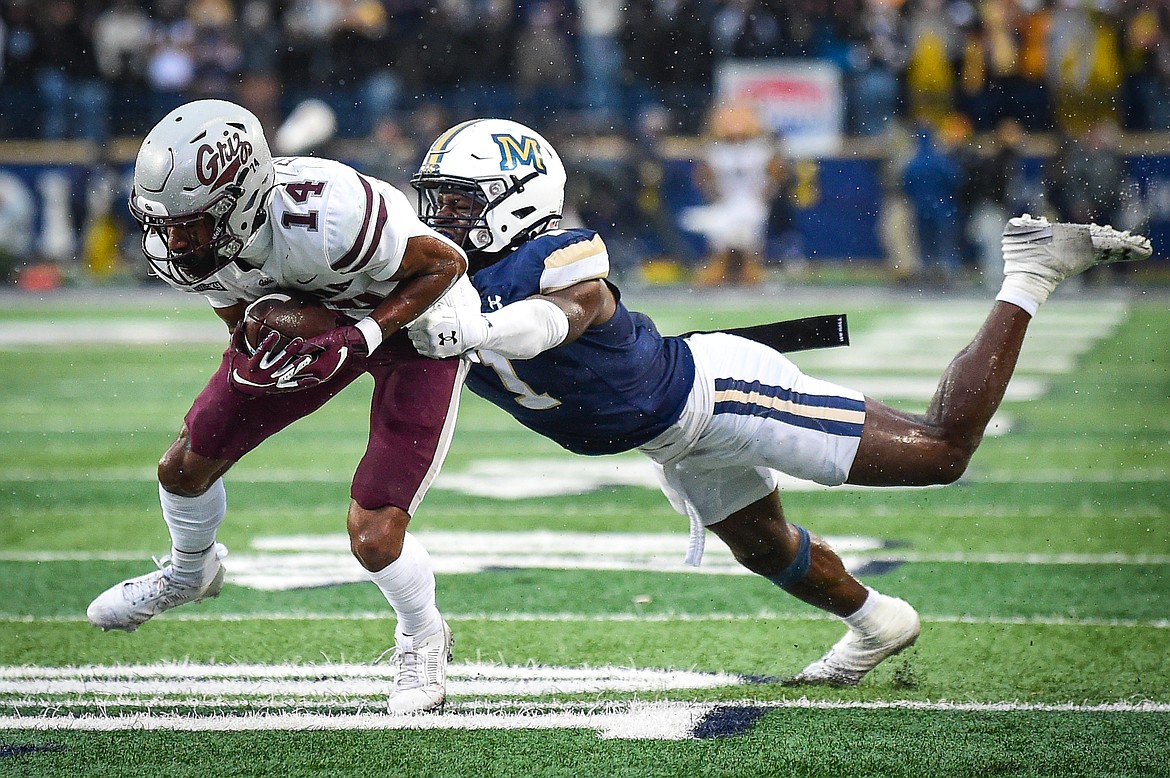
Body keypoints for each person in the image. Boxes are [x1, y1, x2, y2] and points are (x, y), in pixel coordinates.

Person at [406, 118, 1152, 686]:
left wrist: (479, 327)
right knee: (764, 549)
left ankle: (1029, 273)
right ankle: (875, 622)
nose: (440, 217)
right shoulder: (437, 281)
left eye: (458, 201)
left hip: (720, 392)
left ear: (520, 200)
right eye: (434, 200)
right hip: (671, 439)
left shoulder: (557, 254)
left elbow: (561, 314)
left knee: (941, 453)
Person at [86, 99, 481, 714]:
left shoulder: (328, 213)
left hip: (415, 323)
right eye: (167, 223)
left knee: (375, 533)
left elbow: (446, 266)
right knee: (182, 468)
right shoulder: (185, 247)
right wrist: (262, 349)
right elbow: (236, 310)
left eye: (192, 222)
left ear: (241, 199)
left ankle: (424, 635)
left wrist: (360, 337)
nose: (175, 239)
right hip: (308, 327)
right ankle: (191, 573)